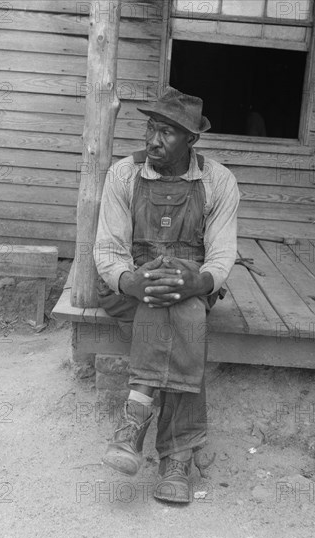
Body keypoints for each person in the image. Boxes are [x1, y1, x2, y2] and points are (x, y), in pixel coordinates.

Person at [93, 87, 240, 503]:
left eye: (167, 133)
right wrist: (131, 281)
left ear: (191, 140)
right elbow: (107, 250)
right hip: (129, 286)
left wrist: (200, 282)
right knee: (178, 311)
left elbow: (223, 252)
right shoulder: (124, 175)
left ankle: (133, 420)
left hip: (190, 283)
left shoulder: (218, 180)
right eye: (150, 128)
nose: (153, 140)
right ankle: (177, 458)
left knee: (185, 304)